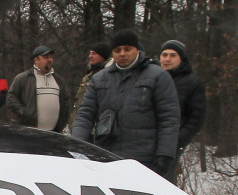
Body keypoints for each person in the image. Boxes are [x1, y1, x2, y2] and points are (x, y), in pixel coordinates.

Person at [72, 28, 180, 177]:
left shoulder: (158, 76)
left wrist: (165, 154)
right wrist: (77, 147)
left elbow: (169, 118)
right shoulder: (99, 79)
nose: (122, 53)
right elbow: (85, 115)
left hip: (145, 159)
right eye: (117, 50)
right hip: (106, 157)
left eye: (127, 49)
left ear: (137, 50)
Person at [159, 40, 206, 176]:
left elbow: (196, 119)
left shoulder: (192, 82)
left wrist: (177, 141)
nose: (167, 59)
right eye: (164, 54)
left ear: (182, 58)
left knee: (162, 182)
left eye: (173, 55)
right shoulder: (152, 78)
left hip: (171, 144)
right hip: (145, 142)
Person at [5, 45, 69, 132]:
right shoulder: (23, 78)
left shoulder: (58, 80)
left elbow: (66, 101)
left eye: (51, 57)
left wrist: (64, 120)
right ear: (36, 60)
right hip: (30, 132)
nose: (50, 60)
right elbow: (10, 97)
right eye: (46, 57)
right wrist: (23, 112)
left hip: (55, 133)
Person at [67, 42, 111, 132]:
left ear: (103, 56)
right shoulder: (89, 74)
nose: (90, 56)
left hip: (97, 128)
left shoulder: (109, 75)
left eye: (94, 54)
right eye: (90, 53)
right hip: (81, 125)